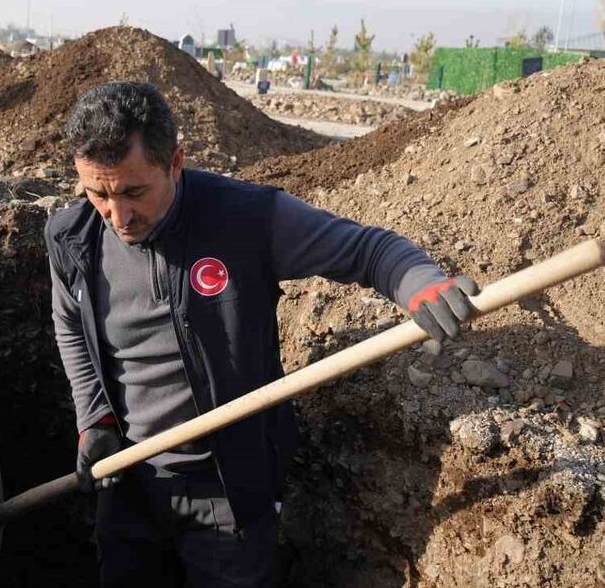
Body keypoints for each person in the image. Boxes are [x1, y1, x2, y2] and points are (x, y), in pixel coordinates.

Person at [45, 82, 477, 587]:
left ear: (175, 161)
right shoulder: (72, 240)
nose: (118, 216)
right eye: (99, 193)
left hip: (227, 494)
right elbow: (71, 326)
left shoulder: (245, 219)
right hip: (130, 487)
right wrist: (93, 417)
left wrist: (420, 284)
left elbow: (368, 250)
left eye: (134, 192)